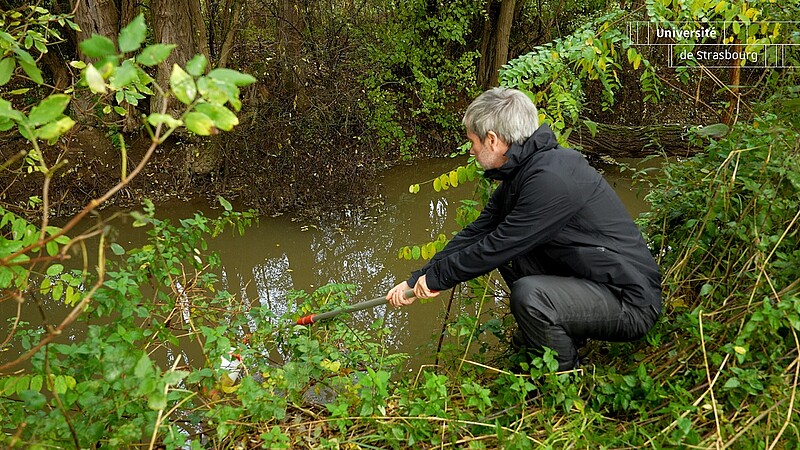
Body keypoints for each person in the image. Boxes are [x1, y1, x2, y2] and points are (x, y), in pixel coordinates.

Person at [386, 87, 662, 371]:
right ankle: (552, 333)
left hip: (630, 302)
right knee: (515, 261)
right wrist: (419, 277)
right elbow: (476, 233)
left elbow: (495, 247)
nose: (471, 150)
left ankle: (562, 377)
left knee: (530, 295)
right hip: (594, 283)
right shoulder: (525, 174)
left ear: (492, 140)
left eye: (473, 142)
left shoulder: (550, 180)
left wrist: (437, 279)